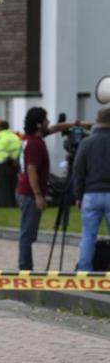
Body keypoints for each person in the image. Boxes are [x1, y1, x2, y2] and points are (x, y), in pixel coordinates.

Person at [16, 107, 85, 270]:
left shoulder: (32, 138)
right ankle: (25, 269)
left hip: (25, 191)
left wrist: (79, 124)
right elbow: (31, 170)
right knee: (28, 234)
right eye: (46, 119)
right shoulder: (34, 144)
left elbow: (55, 128)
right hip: (29, 194)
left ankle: (25, 266)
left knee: (27, 232)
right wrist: (39, 195)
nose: (49, 122)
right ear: (39, 124)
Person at [73, 108, 110, 271]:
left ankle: (84, 271)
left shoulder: (86, 143)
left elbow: (78, 170)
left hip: (90, 194)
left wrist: (78, 195)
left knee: (88, 235)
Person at [0, 120, 22, 206]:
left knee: (3, 187)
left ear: (0, 128)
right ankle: (13, 204)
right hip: (13, 164)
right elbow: (19, 149)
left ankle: (5, 204)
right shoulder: (14, 137)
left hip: (2, 165)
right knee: (13, 185)